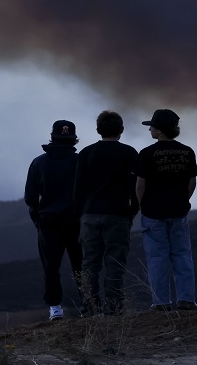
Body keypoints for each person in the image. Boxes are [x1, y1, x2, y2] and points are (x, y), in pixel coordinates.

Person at [72, 110, 139, 316]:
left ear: (98, 129)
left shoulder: (85, 153)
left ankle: (90, 307)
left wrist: (80, 215)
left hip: (90, 215)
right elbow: (135, 187)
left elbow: (78, 189)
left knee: (89, 263)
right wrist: (132, 212)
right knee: (115, 263)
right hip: (117, 215)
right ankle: (114, 308)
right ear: (121, 130)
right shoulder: (129, 153)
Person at [135, 108, 197, 311]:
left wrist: (142, 205)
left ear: (160, 130)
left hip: (153, 213)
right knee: (182, 255)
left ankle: (161, 302)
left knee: (157, 258)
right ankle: (186, 300)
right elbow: (192, 182)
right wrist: (182, 200)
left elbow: (140, 185)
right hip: (178, 211)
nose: (150, 130)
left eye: (152, 127)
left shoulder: (146, 154)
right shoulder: (187, 152)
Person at [24, 119, 83, 321]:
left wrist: (38, 220)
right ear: (73, 139)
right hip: (76, 220)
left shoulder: (38, 162)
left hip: (48, 220)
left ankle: (55, 308)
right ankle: (89, 305)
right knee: (81, 265)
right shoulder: (80, 161)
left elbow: (30, 198)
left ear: (52, 136)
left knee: (51, 265)